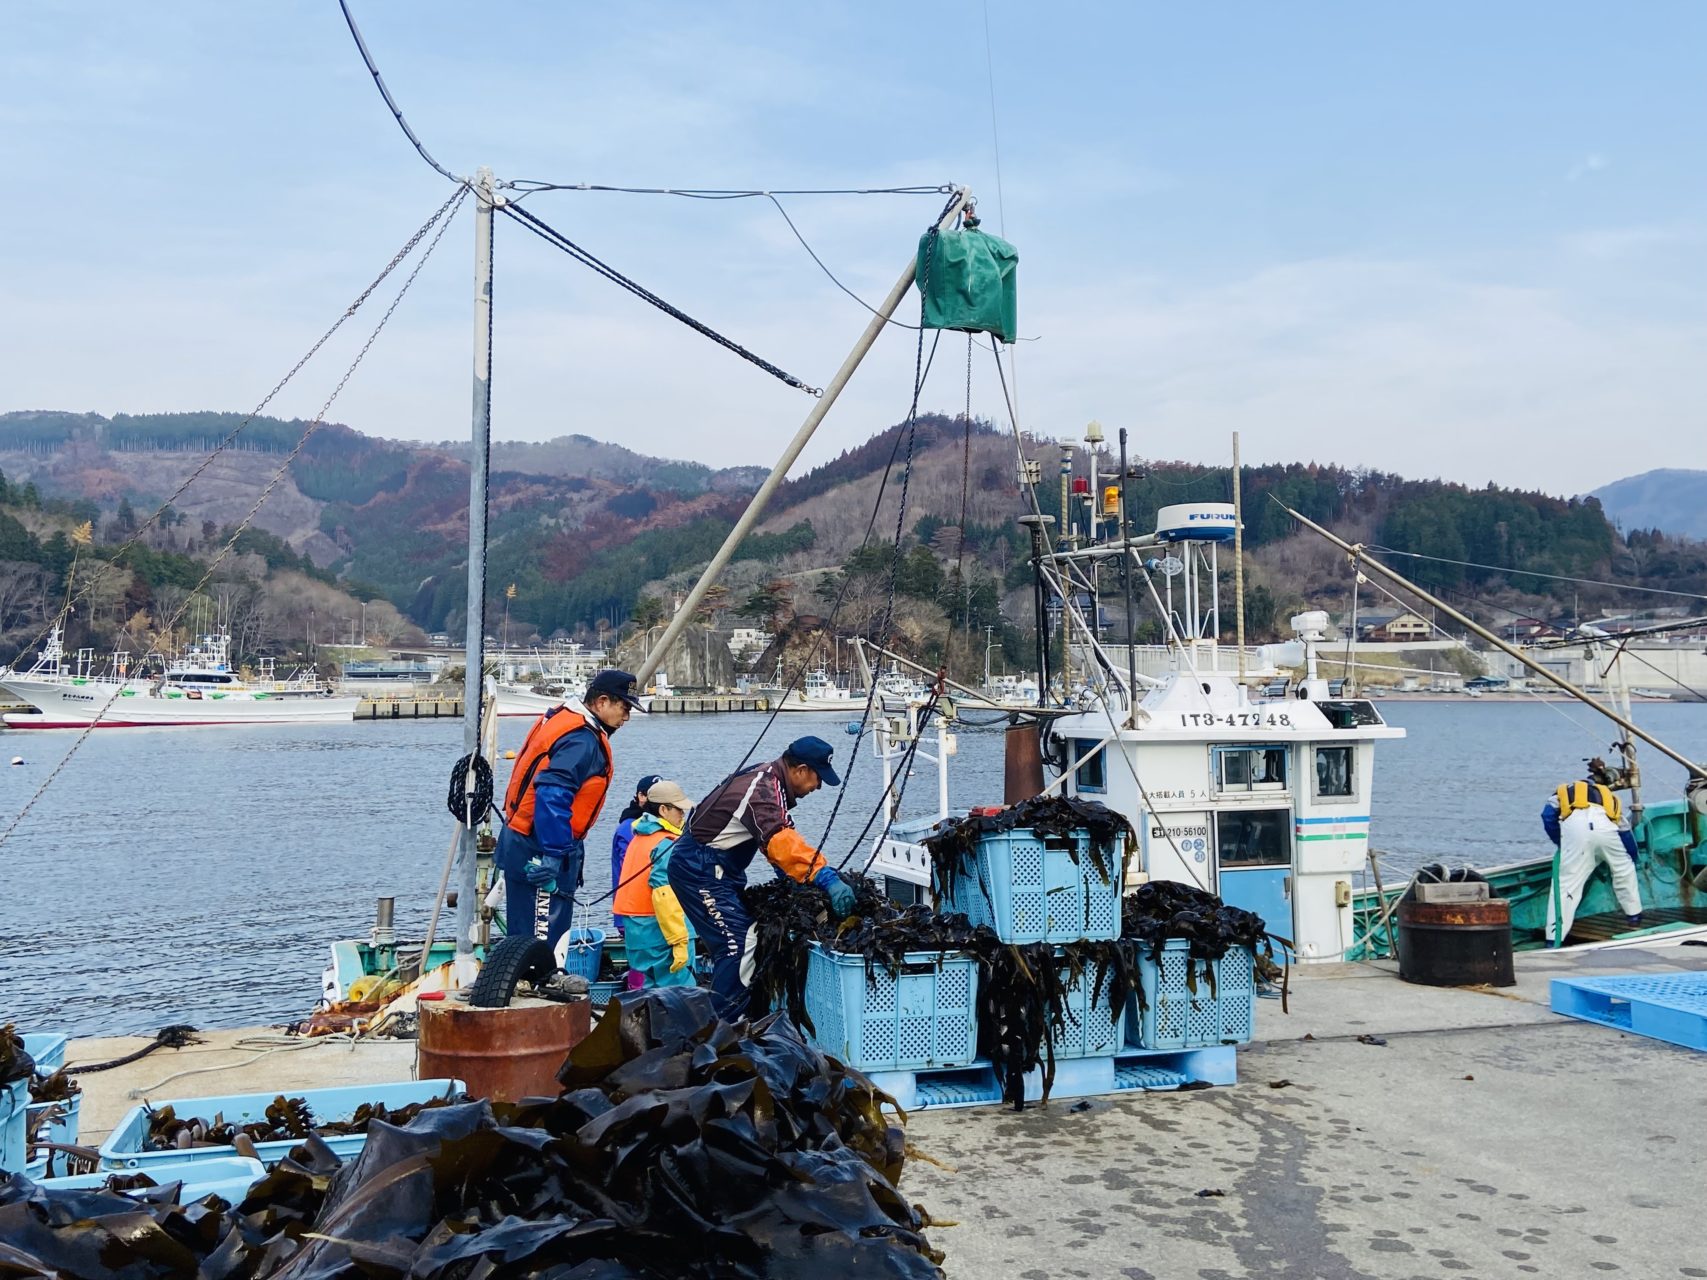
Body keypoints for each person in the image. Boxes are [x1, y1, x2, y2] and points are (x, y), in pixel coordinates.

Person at [667, 735, 857, 1020]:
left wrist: (793, 878)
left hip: (716, 870)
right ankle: (721, 1030)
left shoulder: (768, 780)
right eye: (818, 778)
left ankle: (731, 1017)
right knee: (738, 946)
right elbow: (780, 841)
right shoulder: (763, 791)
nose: (818, 786)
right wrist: (826, 878)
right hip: (699, 871)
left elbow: (773, 842)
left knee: (742, 940)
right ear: (801, 770)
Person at [496, 669, 645, 951]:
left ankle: (523, 972)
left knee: (522, 935)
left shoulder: (561, 718)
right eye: (624, 708)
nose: (626, 718)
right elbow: (552, 792)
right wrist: (554, 854)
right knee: (543, 942)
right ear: (602, 702)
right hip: (540, 848)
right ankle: (541, 975)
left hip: (521, 839)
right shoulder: (581, 740)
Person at [613, 779, 698, 988]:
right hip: (661, 932)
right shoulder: (665, 844)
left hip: (636, 931)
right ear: (663, 810)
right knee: (680, 994)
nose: (683, 815)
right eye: (679, 810)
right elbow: (665, 895)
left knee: (645, 992)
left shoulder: (639, 838)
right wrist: (679, 940)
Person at [1542, 767, 1642, 943]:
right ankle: (1634, 917)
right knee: (1623, 869)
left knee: (1565, 885)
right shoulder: (1608, 797)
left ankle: (1553, 938)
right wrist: (1633, 857)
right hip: (1606, 830)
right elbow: (1625, 831)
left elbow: (1547, 816)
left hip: (1575, 831)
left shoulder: (1562, 793)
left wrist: (1560, 841)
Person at [609, 773, 664, 936]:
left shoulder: (654, 826)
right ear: (641, 796)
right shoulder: (629, 829)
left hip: (649, 911)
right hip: (634, 915)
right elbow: (635, 873)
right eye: (655, 796)